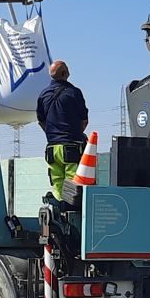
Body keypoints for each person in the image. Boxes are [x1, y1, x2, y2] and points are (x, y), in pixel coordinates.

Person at [36, 59, 89, 199]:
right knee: (72, 186)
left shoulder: (43, 95)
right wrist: (75, 134)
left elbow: (41, 121)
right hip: (71, 146)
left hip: (52, 148)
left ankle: (58, 211)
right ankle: (70, 214)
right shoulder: (74, 93)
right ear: (65, 73)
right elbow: (84, 120)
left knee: (57, 183)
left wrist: (52, 134)